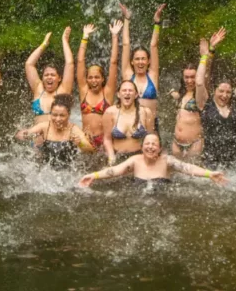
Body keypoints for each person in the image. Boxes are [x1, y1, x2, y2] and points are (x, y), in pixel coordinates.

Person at [78, 133, 228, 187]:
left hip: (164, 201)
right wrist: (94, 175)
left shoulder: (167, 161)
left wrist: (209, 174)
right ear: (142, 147)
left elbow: (187, 168)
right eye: (147, 144)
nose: (150, 147)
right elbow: (115, 170)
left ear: (160, 147)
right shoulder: (135, 160)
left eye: (154, 144)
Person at [195, 37, 236, 168]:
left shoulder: (234, 101)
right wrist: (204, 57)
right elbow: (199, 82)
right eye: (221, 91)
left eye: (228, 92)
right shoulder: (205, 103)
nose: (225, 95)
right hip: (211, 159)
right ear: (214, 90)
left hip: (234, 157)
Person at [170, 28, 226, 158]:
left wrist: (210, 51)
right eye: (186, 77)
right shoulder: (181, 93)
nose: (190, 80)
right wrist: (172, 92)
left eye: (192, 77)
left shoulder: (201, 92)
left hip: (194, 143)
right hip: (176, 143)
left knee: (194, 177)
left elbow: (205, 73)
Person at [76, 20, 123, 150]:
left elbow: (113, 62)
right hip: (86, 139)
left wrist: (115, 36)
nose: (93, 80)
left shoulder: (108, 91)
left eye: (97, 77)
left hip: (105, 140)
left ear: (103, 79)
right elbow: (80, 61)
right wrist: (85, 37)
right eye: (90, 77)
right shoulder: (83, 90)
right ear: (86, 79)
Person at [120, 2, 166, 132]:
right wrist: (127, 19)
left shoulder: (152, 75)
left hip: (151, 127)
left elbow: (153, 46)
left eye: (143, 59)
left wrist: (157, 23)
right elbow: (125, 44)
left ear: (148, 61)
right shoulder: (128, 76)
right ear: (132, 62)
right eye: (137, 59)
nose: (140, 62)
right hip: (129, 126)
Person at [15, 94, 95, 168]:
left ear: (69, 115)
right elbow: (19, 135)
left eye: (62, 115)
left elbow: (90, 150)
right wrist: (31, 136)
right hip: (45, 171)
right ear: (50, 114)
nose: (58, 119)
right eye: (54, 115)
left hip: (68, 172)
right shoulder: (45, 126)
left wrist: (80, 143)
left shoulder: (73, 129)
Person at [25, 27, 74, 126]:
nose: (49, 77)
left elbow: (69, 63)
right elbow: (29, 64)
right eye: (46, 75)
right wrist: (44, 45)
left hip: (57, 140)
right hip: (37, 140)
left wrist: (64, 40)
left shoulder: (63, 90)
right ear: (42, 78)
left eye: (52, 75)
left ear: (59, 78)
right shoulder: (38, 89)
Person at [102, 80, 155, 166]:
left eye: (130, 90)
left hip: (139, 157)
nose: (127, 93)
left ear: (136, 95)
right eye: (124, 90)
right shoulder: (110, 112)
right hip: (118, 156)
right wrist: (111, 156)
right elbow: (107, 139)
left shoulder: (145, 112)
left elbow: (151, 138)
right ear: (118, 94)